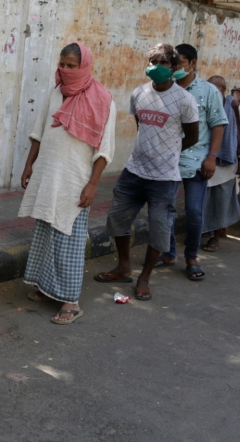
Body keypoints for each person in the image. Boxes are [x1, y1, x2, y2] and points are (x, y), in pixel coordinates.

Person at [19, 43, 116, 324]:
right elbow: (39, 132)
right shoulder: (55, 92)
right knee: (47, 231)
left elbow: (104, 149)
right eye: (63, 64)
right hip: (49, 174)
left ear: (85, 65)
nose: (66, 70)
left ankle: (70, 301)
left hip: (75, 179)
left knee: (68, 238)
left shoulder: (104, 99)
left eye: (72, 65)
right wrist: (29, 165)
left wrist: (93, 184)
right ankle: (48, 289)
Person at [96, 43, 199, 301]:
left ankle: (145, 277)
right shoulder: (138, 93)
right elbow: (141, 126)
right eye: (152, 62)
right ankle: (123, 266)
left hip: (164, 178)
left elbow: (193, 137)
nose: (156, 68)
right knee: (117, 219)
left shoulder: (185, 100)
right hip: (134, 171)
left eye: (163, 63)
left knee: (160, 229)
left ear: (174, 68)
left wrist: (170, 152)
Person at [156, 44, 226, 281]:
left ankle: (192, 257)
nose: (177, 68)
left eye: (182, 62)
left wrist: (211, 157)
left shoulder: (209, 91)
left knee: (194, 212)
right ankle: (168, 253)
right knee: (166, 210)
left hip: (196, 162)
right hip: (168, 161)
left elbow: (218, 124)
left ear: (193, 63)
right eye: (174, 64)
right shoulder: (165, 89)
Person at [201, 75, 240, 251]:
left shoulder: (234, 106)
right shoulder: (202, 105)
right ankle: (204, 231)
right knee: (203, 201)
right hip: (204, 161)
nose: (211, 91)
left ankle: (216, 238)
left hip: (226, 163)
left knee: (222, 201)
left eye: (216, 88)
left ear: (224, 89)